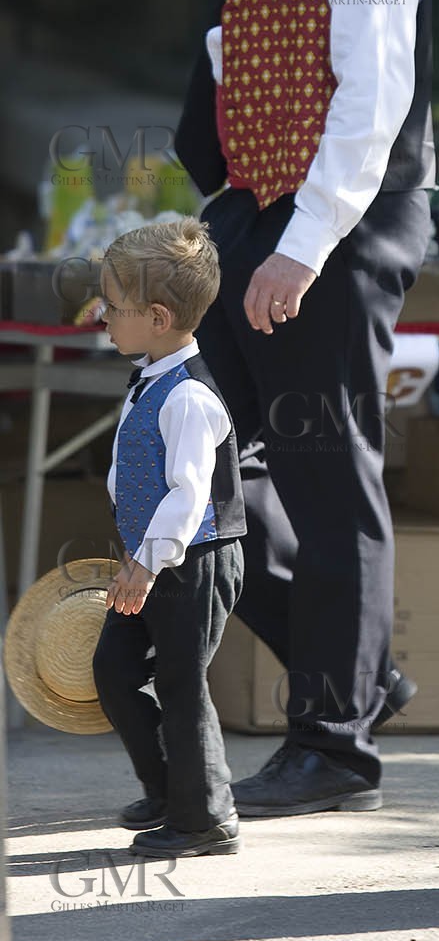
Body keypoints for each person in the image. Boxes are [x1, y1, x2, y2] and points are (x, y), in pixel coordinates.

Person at [161, 0, 435, 816]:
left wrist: (306, 242)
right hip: (251, 216)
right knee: (198, 461)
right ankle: (364, 673)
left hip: (335, 220)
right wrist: (229, 220)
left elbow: (373, 97)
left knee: (329, 483)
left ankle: (335, 740)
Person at [93, 218, 246, 858]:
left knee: (182, 685)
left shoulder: (189, 397)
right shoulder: (150, 376)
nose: (102, 314)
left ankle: (205, 817)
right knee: (115, 669)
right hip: (152, 559)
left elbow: (187, 494)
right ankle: (168, 788)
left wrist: (150, 563)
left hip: (195, 562)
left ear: (157, 317)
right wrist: (133, 550)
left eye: (113, 306)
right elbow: (130, 476)